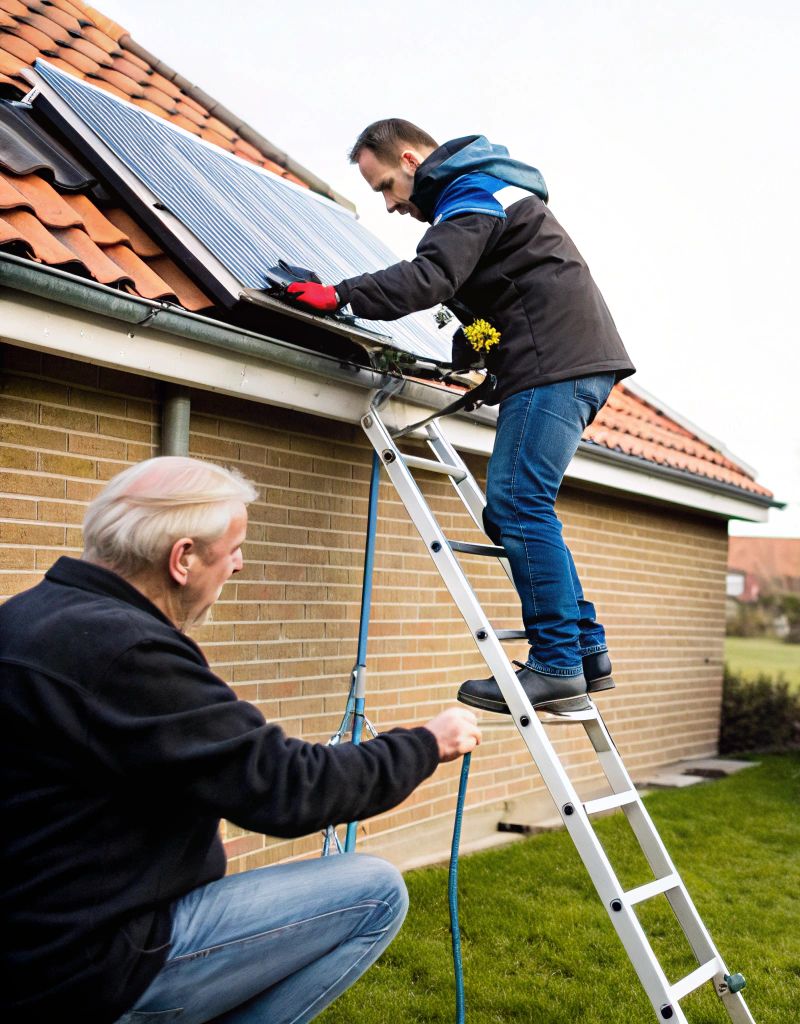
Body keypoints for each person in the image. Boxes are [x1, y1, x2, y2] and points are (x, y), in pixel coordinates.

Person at [0, 457, 483, 1023]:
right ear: (183, 559)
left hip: (34, 940)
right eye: (232, 550)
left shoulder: (28, 619)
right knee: (374, 890)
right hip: (85, 968)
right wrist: (427, 742)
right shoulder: (127, 654)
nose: (239, 566)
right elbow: (288, 788)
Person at [280, 118, 635, 716]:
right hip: (564, 361)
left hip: (555, 365)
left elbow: (432, 277)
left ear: (413, 160)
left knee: (519, 505)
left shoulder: (468, 192)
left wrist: (339, 294)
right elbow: (485, 293)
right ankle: (587, 651)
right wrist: (477, 358)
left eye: (387, 185)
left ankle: (556, 665)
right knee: (521, 509)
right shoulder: (486, 193)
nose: (390, 205)